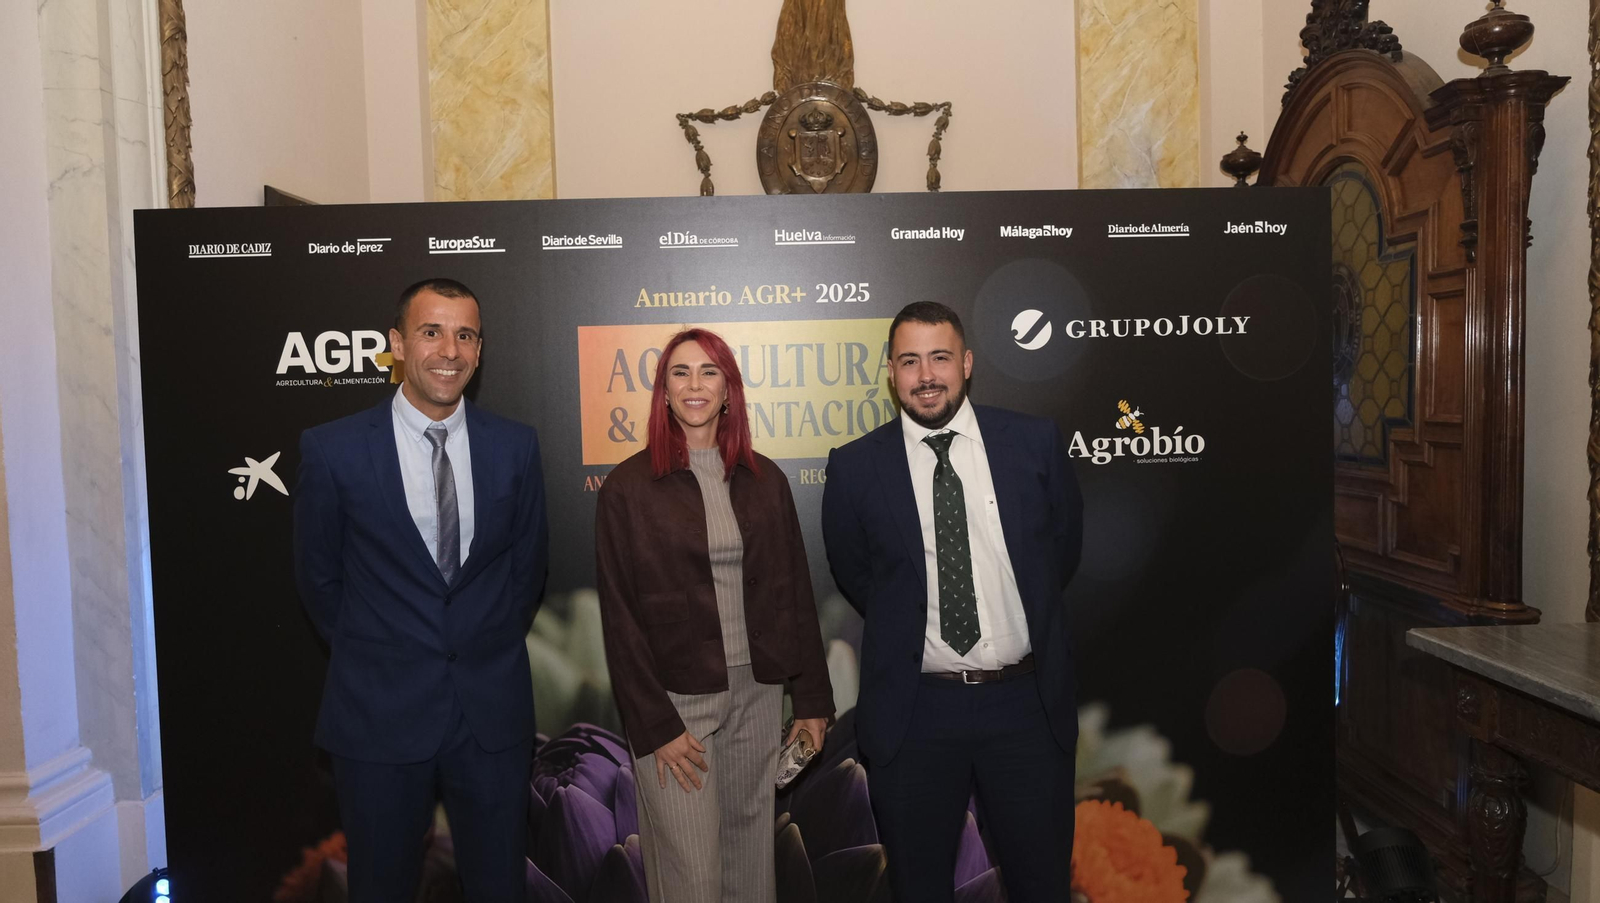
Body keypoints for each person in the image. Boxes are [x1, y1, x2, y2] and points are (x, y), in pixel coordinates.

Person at [294, 278, 548, 902]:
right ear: (397, 344)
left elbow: (527, 574)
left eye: (465, 335)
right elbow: (319, 580)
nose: (449, 350)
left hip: (490, 719)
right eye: (431, 331)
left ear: (480, 351)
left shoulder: (515, 448)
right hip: (378, 717)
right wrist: (384, 648)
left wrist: (475, 644)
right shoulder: (333, 450)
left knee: (500, 890)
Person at [821, 301, 1084, 903]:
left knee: (1042, 886)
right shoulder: (857, 467)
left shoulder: (1033, 443)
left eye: (940, 357)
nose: (927, 375)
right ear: (891, 372)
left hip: (1024, 708)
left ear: (965, 363)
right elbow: (861, 577)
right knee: (918, 889)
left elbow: (1058, 556)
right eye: (910, 361)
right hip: (916, 716)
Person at [595, 327, 835, 902]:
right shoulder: (627, 489)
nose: (695, 384)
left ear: (729, 390)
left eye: (709, 372)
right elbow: (620, 621)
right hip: (677, 707)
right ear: (664, 392)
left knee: (752, 871)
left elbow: (794, 594)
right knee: (692, 882)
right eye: (681, 372)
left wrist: (812, 701)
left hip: (757, 695)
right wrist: (656, 727)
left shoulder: (765, 479)